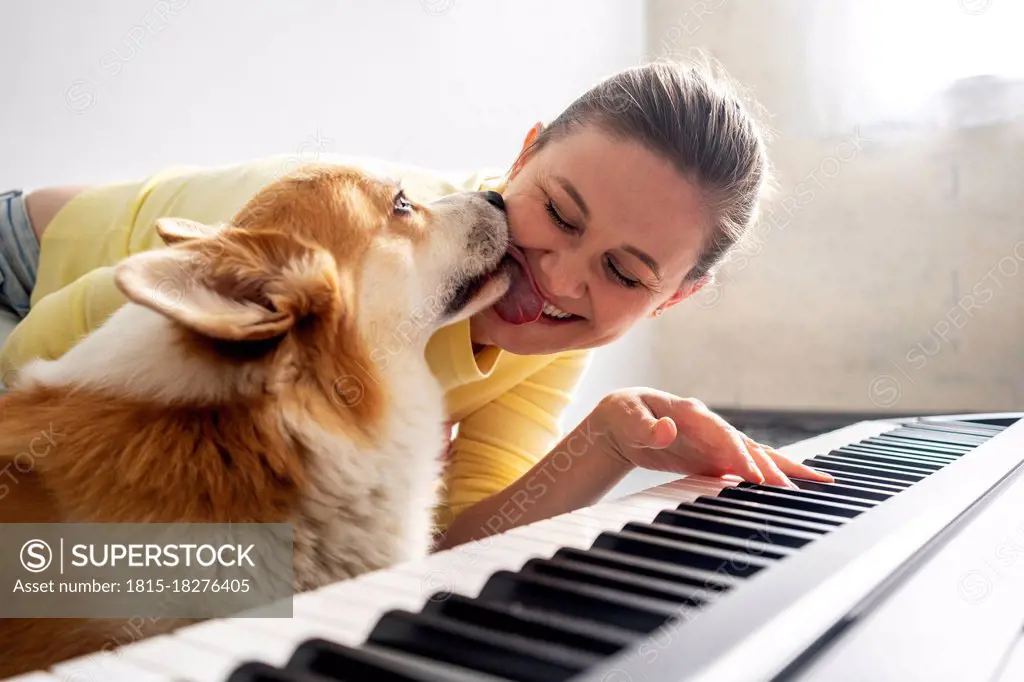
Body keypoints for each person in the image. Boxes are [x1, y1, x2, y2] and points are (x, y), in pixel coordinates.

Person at [0, 60, 832, 551]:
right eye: (561, 213)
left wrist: (614, 436)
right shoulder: (353, 224)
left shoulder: (547, 335)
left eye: (623, 271)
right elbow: (33, 373)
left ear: (674, 298)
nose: (559, 277)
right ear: (523, 154)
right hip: (31, 276)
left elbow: (454, 542)